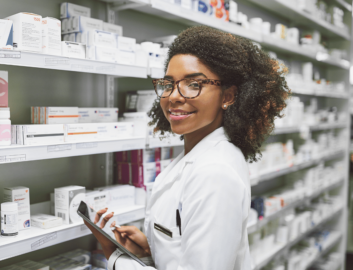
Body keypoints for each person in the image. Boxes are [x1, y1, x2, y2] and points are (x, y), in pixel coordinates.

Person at [83, 25, 290, 269]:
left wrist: (116, 257)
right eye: (168, 84)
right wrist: (152, 249)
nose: (173, 97)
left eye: (194, 84)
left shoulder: (215, 172)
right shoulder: (193, 157)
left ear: (228, 96)